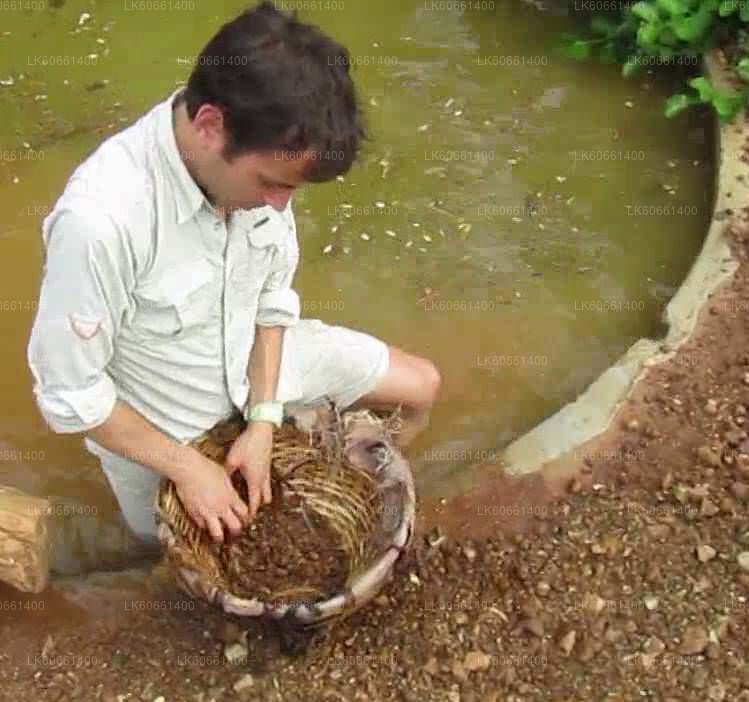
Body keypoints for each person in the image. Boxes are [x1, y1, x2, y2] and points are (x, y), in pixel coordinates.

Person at [26, 1, 440, 547]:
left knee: (422, 388)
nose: (279, 203)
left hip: (257, 369)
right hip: (167, 426)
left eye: (292, 188)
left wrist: (264, 421)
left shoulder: (261, 162)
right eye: (272, 183)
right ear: (209, 127)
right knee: (168, 552)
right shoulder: (102, 223)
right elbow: (70, 394)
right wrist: (189, 469)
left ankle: (345, 482)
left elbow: (271, 302)